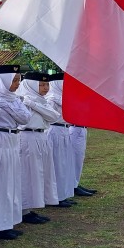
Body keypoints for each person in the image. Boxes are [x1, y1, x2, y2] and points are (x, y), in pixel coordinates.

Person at [0, 65, 31, 240]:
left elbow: (25, 118)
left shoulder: (12, 98)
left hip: (11, 138)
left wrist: (8, 104)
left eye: (18, 80)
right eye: (14, 80)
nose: (17, 84)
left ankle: (5, 221)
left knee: (9, 181)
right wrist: (8, 104)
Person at [17, 72, 61, 224]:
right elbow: (25, 119)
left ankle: (30, 207)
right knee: (27, 173)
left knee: (39, 173)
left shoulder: (38, 100)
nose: (45, 88)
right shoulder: (22, 99)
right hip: (27, 136)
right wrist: (31, 104)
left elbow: (54, 116)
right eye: (41, 85)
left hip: (41, 136)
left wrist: (34, 105)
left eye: (47, 84)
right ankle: (23, 209)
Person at [48, 73, 96, 197]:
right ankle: (71, 185)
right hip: (67, 128)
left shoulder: (65, 96)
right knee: (68, 160)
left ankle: (74, 183)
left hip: (74, 128)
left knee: (77, 158)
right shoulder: (53, 98)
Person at [44, 73, 78, 204]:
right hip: (54, 130)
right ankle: (55, 196)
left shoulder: (63, 97)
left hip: (64, 129)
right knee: (56, 164)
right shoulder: (52, 99)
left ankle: (63, 194)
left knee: (64, 164)